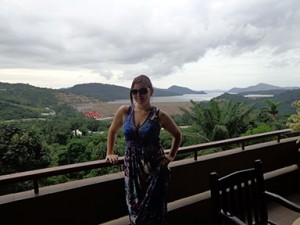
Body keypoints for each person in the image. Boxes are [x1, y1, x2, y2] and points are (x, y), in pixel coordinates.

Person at [105, 75, 182, 225]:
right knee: (135, 212)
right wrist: (110, 152)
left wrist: (171, 155)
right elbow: (112, 131)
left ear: (151, 92)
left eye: (142, 91)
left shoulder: (159, 116)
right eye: (134, 91)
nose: (138, 95)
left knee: (155, 213)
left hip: (155, 170)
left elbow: (178, 135)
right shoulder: (124, 111)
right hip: (132, 170)